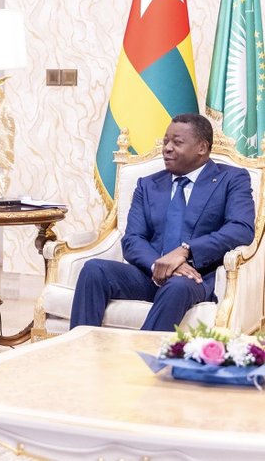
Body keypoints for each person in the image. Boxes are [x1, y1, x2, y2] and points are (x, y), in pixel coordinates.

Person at [70, 113, 255, 331]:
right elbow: (133, 239)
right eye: (166, 141)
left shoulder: (231, 179)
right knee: (94, 269)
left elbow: (240, 229)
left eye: (177, 142)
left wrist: (186, 251)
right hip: (149, 274)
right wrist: (159, 265)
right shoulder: (148, 185)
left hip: (194, 277)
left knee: (177, 286)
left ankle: (141, 353)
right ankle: (80, 348)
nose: (167, 148)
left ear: (202, 148)